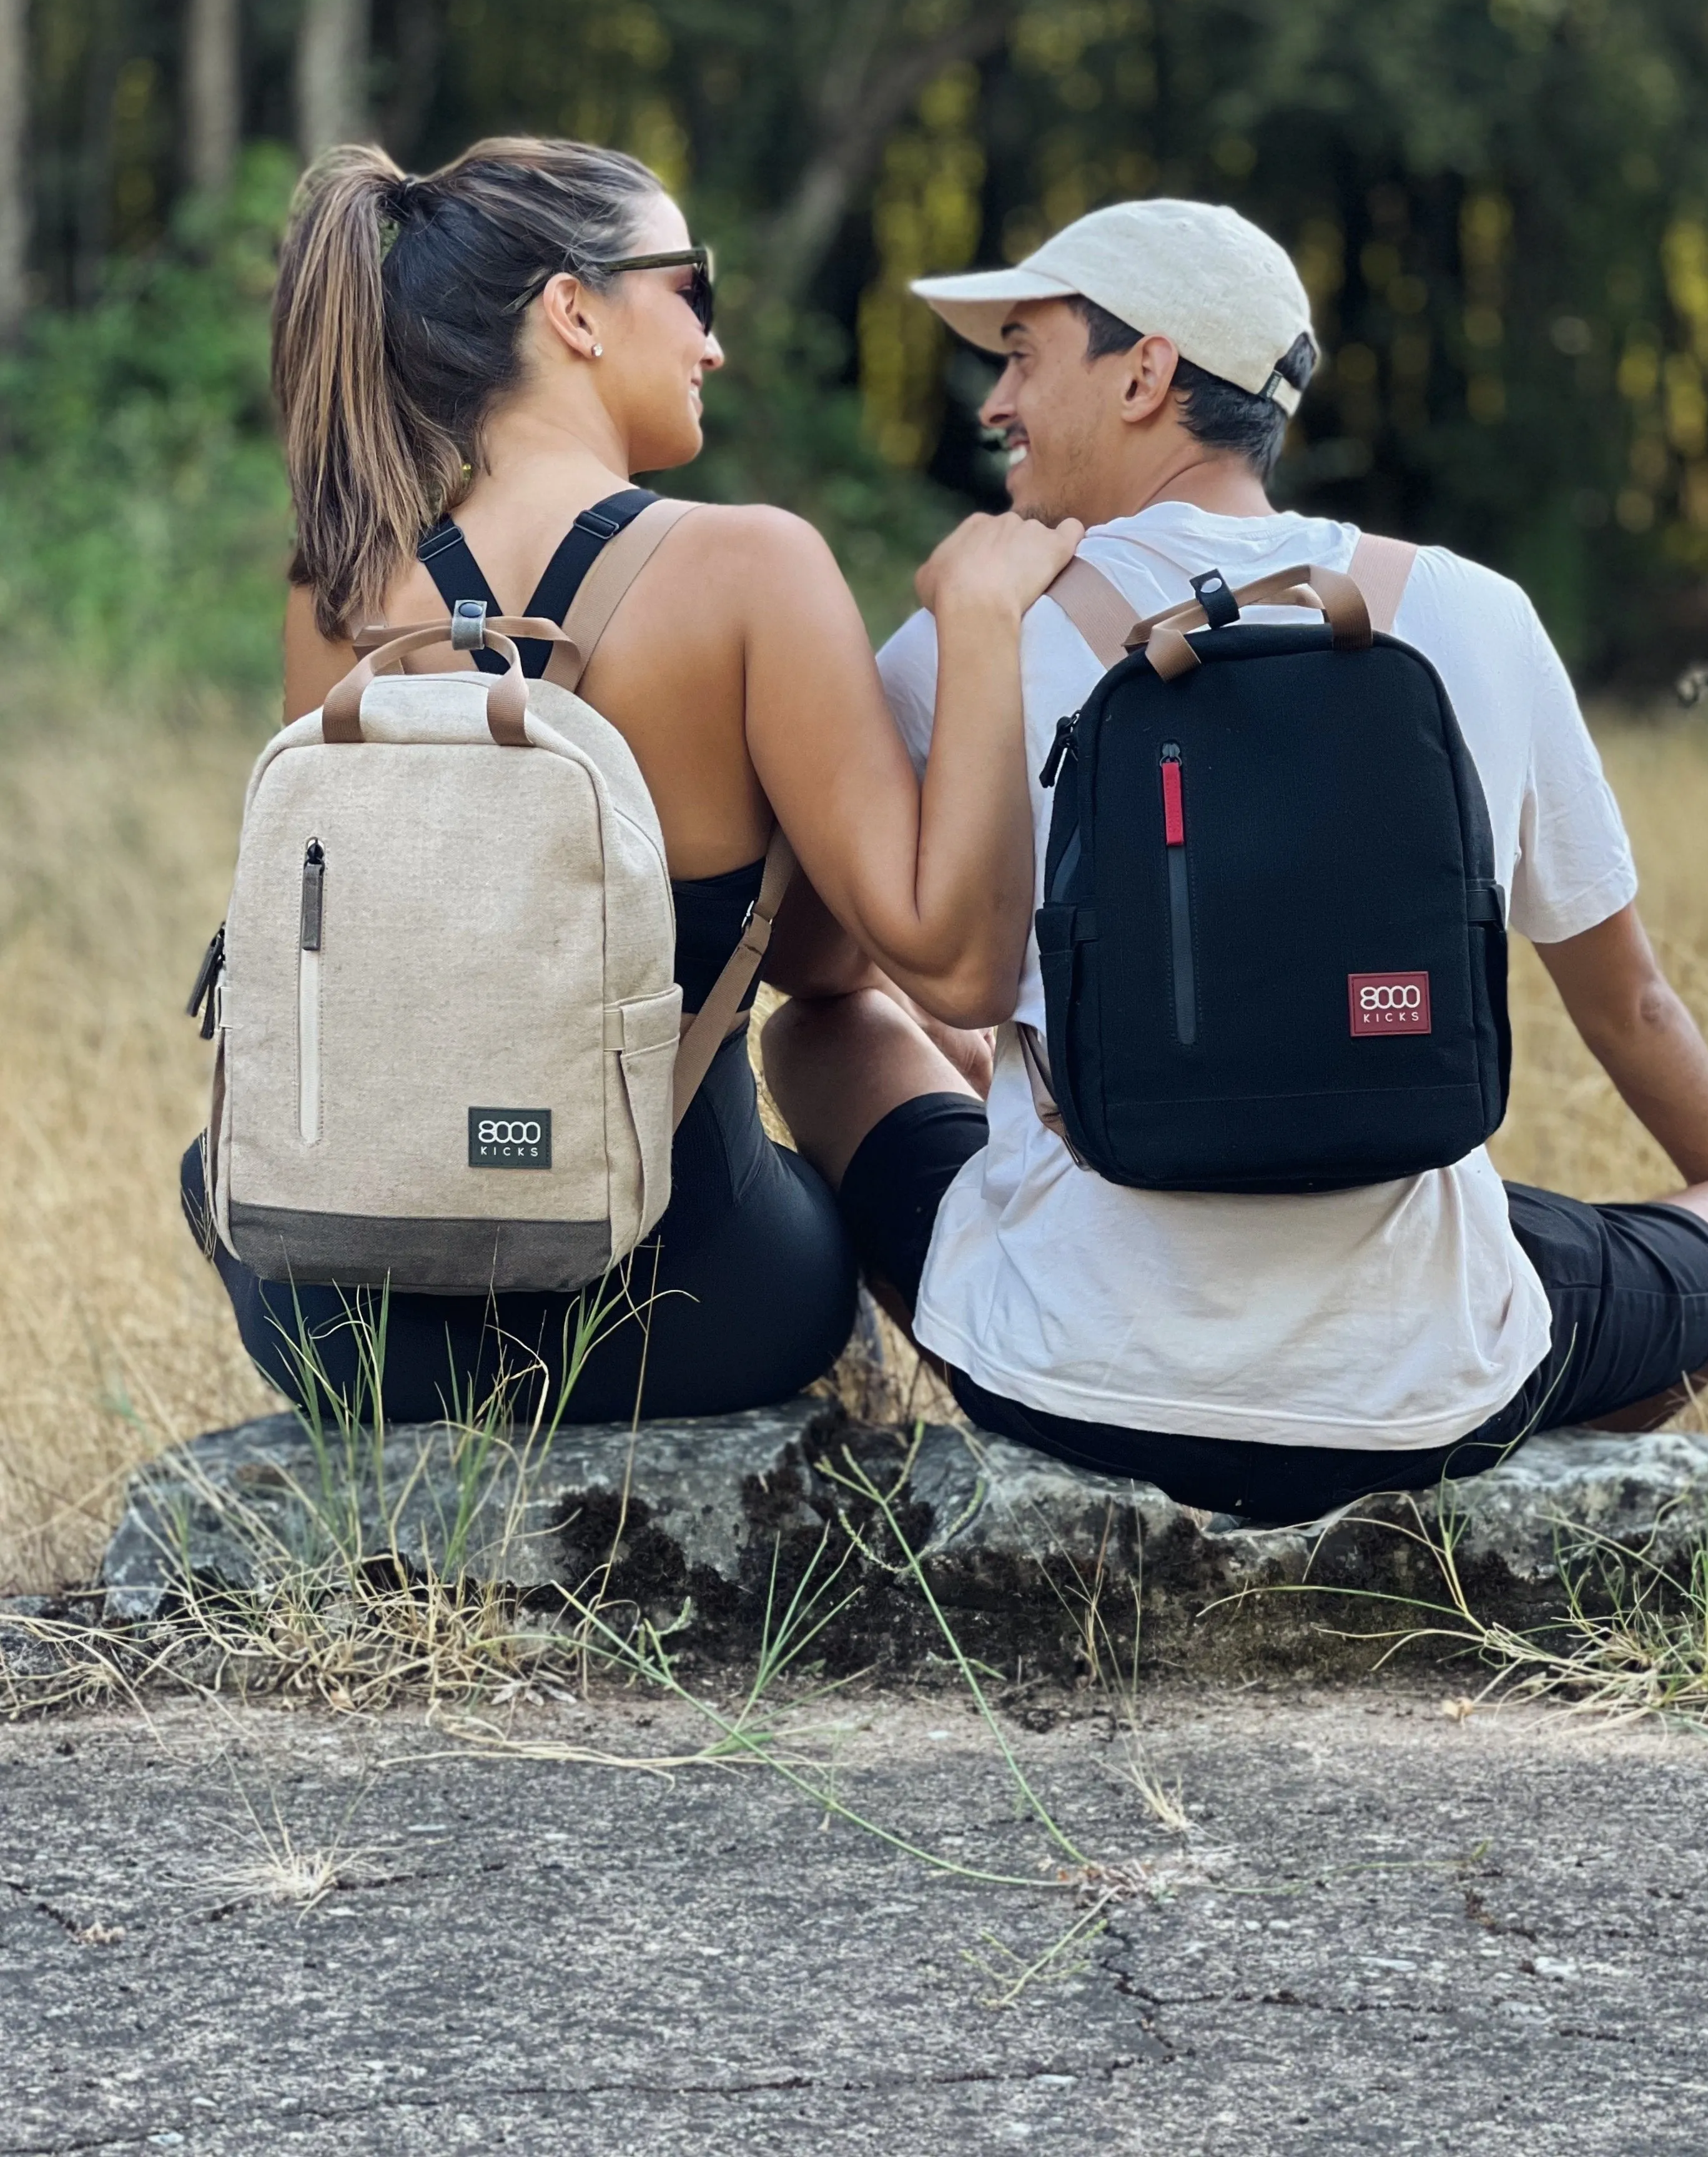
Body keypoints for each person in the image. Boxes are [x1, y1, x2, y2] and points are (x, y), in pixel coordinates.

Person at [764, 197, 1708, 1525]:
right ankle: (1502, 1417)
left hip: (1063, 1381)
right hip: (1424, 1383)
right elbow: (1632, 1005)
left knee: (821, 1037)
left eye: (1024, 355)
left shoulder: (964, 634)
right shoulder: (1478, 614)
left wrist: (994, 1037)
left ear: (1145, 370)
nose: (994, 403)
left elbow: (818, 964)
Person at [182, 136, 1077, 1427]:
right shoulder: (749, 567)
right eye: (689, 291)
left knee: (207, 1167)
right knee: (852, 1057)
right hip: (683, 1314)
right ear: (574, 310)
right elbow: (954, 970)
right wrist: (985, 634)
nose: (712, 343)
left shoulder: (334, 588)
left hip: (344, 1325)